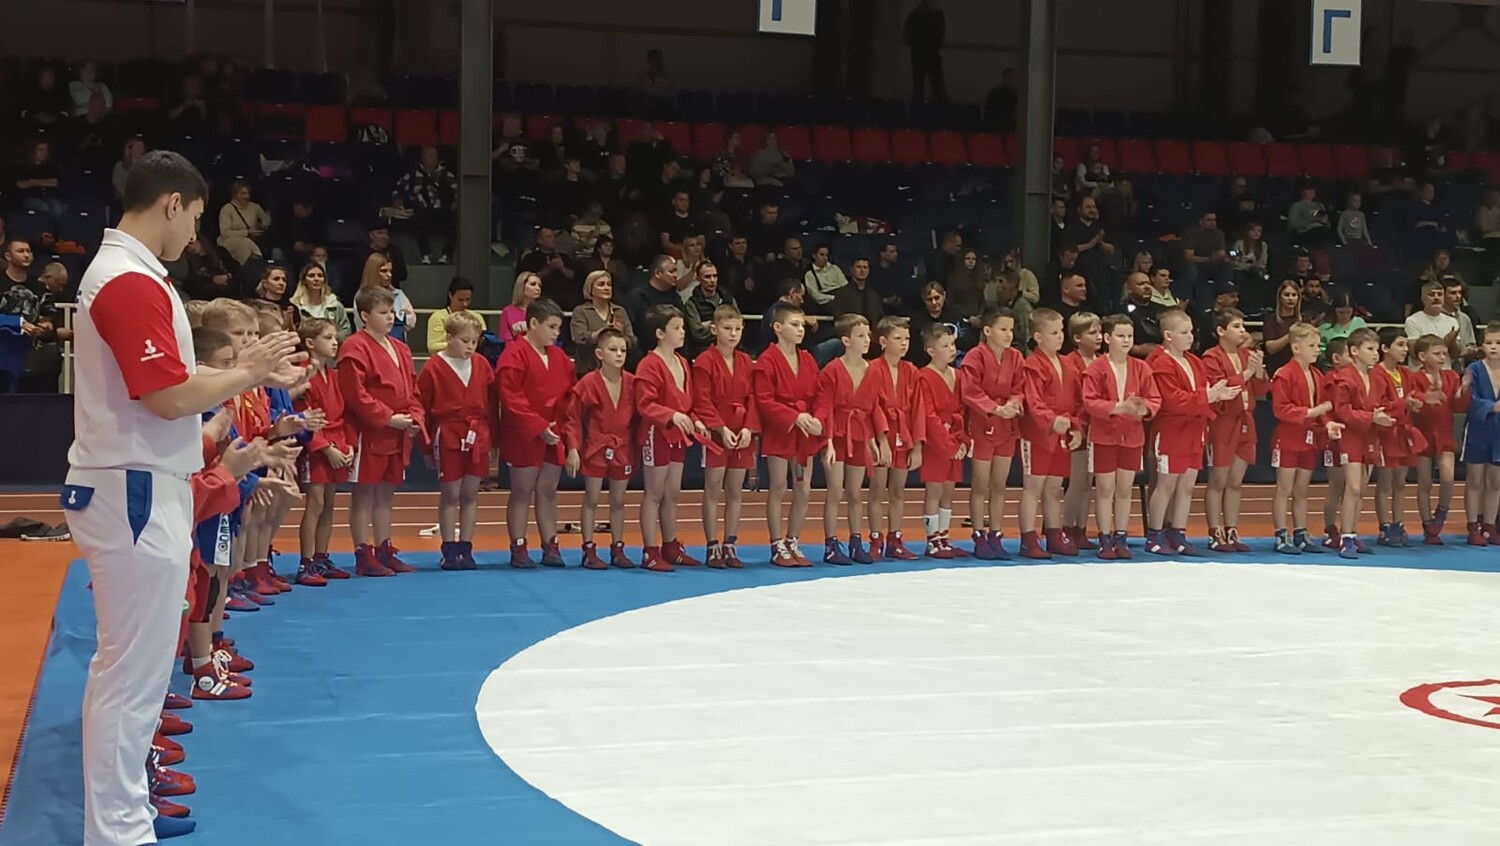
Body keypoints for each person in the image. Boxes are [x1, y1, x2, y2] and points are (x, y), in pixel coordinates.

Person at [64, 149, 304, 846]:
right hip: (136, 487)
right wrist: (245, 374)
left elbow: (167, 384)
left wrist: (242, 375)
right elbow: (167, 396)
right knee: (132, 676)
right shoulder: (128, 280)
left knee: (132, 672)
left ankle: (121, 821)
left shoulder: (131, 276)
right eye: (196, 217)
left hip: (138, 482)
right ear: (172, 203)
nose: (195, 233)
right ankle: (119, 832)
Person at [338, 285, 424, 576]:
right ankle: (363, 554)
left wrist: (414, 417)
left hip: (397, 431)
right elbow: (355, 394)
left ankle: (384, 549)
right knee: (364, 494)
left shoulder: (400, 348)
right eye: (383, 312)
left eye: (392, 312)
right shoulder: (354, 347)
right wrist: (388, 418)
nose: (390, 318)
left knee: (387, 494)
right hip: (370, 431)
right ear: (365, 316)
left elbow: (413, 389)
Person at [1147, 309, 1238, 555]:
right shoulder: (1160, 363)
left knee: (1187, 486)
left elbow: (1202, 392)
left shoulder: (1194, 362)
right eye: (1184, 332)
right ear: (1168, 335)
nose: (1190, 337)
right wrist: (1207, 396)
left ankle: (1178, 532)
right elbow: (1171, 400)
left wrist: (1217, 395)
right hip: (1172, 431)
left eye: (1191, 332)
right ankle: (1154, 534)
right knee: (1166, 485)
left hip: (1195, 430)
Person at [496, 298, 576, 568]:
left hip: (554, 431)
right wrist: (538, 426)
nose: (556, 333)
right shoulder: (513, 355)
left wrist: (564, 434)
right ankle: (518, 546)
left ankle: (550, 544)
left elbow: (569, 398)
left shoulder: (560, 358)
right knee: (522, 490)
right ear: (533, 323)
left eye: (558, 327)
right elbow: (511, 397)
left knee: (548, 490)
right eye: (551, 327)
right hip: (524, 434)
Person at [418, 310, 495, 571]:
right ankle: (449, 549)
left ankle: (466, 547)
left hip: (477, 432)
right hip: (448, 433)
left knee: (471, 493)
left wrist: (492, 440)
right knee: (450, 493)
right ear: (449, 338)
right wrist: (426, 447)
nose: (470, 347)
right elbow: (423, 409)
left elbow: (491, 404)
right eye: (465, 341)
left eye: (474, 341)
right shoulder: (433, 367)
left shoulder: (482, 365)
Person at [635, 304, 708, 572]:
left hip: (677, 433)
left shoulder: (682, 362)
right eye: (676, 328)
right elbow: (644, 404)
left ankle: (670, 545)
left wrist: (695, 420)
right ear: (660, 333)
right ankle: (649, 550)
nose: (682, 332)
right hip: (657, 432)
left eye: (683, 327)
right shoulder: (649, 364)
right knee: (654, 493)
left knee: (672, 492)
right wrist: (672, 415)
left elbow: (687, 402)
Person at [1081, 314, 1161, 559]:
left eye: (1129, 336)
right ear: (1107, 338)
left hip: (1132, 435)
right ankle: (1105, 538)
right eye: (1120, 336)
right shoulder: (1096, 368)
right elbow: (1089, 402)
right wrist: (1119, 407)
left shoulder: (1141, 367)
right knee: (1105, 489)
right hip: (1104, 436)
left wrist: (1144, 409)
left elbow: (1154, 398)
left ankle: (1122, 537)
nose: (1126, 341)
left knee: (1125, 489)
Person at [815, 314, 892, 564]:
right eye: (861, 336)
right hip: (837, 433)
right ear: (846, 341)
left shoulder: (874, 371)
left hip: (859, 434)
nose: (867, 340)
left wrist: (876, 439)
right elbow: (825, 407)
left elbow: (874, 408)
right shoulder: (832, 370)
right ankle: (830, 544)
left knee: (855, 492)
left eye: (868, 335)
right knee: (835, 491)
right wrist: (827, 443)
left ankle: (856, 541)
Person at [754, 301, 824, 566]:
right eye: (794, 325)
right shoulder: (767, 360)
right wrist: (793, 417)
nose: (800, 330)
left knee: (804, 488)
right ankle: (776, 544)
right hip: (781, 429)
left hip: (805, 431)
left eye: (802, 325)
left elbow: (820, 394)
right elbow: (764, 399)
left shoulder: (807, 359)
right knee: (779, 486)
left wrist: (819, 419)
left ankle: (793, 539)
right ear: (777, 327)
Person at [563, 328, 638, 570]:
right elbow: (573, 418)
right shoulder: (588, 383)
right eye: (613, 350)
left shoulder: (633, 383)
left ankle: (618, 547)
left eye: (623, 350)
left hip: (622, 447)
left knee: (619, 500)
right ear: (599, 353)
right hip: (596, 447)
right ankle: (588, 548)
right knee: (592, 498)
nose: (619, 354)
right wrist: (573, 448)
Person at [693, 306, 757, 569]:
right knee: (713, 488)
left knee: (735, 491)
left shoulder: (746, 362)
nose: (733, 334)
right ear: (714, 329)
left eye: (738, 329)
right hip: (716, 432)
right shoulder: (704, 361)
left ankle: (730, 543)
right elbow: (701, 399)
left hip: (741, 432)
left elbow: (753, 398)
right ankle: (712, 546)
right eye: (727, 328)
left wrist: (748, 428)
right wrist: (720, 428)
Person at [1270, 322, 1343, 555]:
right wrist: (1311, 412)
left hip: (1309, 437)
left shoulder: (1316, 374)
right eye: (1311, 345)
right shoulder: (1284, 374)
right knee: (1284, 488)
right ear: (1296, 348)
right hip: (1289, 437)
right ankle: (1281, 534)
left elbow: (1321, 409)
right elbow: (1280, 409)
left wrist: (1328, 423)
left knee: (1302, 489)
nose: (1317, 350)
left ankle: (1300, 532)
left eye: (1318, 345)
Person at [1200, 309, 1268, 553]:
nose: (1243, 331)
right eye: (1236, 326)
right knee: (1218, 480)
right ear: (1221, 331)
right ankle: (1214, 531)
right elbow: (1220, 388)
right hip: (1223, 422)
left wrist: (1258, 372)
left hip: (1246, 420)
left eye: (1242, 326)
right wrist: (1247, 373)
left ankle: (1231, 528)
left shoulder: (1246, 355)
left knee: (1236, 481)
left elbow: (1262, 390)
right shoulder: (1211, 357)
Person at [960, 306, 1025, 559]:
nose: (1009, 334)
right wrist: (996, 408)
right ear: (988, 331)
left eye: (1011, 329)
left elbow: (1020, 387)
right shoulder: (975, 357)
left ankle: (996, 534)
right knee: (980, 484)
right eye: (1003, 329)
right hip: (982, 424)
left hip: (1006, 426)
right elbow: (970, 391)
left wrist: (1013, 404)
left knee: (999, 484)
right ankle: (978, 534)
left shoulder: (1016, 357)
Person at [1018, 308, 1083, 559]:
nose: (1060, 337)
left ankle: (1054, 534)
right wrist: (1052, 420)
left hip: (1061, 432)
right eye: (1054, 332)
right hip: (1038, 434)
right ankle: (1028, 538)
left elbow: (1078, 402)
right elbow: (1033, 401)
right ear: (1038, 337)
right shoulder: (1032, 365)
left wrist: (1076, 427)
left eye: (1060, 331)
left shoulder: (1068, 365)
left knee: (1055, 487)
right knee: (1033, 486)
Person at [293, 318, 353, 584]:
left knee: (329, 502)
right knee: (315, 502)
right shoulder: (302, 374)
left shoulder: (334, 374)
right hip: (315, 445)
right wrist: (325, 447)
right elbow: (301, 416)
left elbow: (343, 414)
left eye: (334, 337)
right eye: (328, 337)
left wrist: (347, 445)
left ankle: (321, 556)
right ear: (310, 342)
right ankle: (305, 562)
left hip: (336, 441)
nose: (335, 342)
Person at [1330, 327, 1396, 558]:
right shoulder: (1345, 377)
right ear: (1354, 351)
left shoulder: (1377, 377)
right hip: (1350, 436)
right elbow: (1342, 411)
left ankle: (1352, 533)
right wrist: (1371, 417)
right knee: (1353, 487)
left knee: (1361, 489)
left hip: (1369, 436)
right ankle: (1346, 537)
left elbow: (1385, 402)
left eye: (1377, 349)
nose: (1376, 354)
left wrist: (1386, 415)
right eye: (1370, 349)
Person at [866, 317, 922, 560]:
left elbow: (918, 409)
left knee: (898, 490)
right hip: (882, 434)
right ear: (883, 341)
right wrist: (881, 439)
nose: (904, 343)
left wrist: (917, 446)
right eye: (898, 338)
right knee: (877, 489)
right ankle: (875, 539)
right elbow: (873, 406)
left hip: (904, 434)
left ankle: (895, 539)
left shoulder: (912, 371)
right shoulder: (872, 369)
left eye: (907, 339)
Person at [915, 322, 968, 557]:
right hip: (936, 443)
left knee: (948, 490)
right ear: (931, 350)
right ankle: (932, 540)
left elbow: (964, 410)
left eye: (952, 344)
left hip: (955, 439)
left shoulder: (958, 375)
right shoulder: (923, 377)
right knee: (934, 490)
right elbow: (928, 414)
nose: (951, 349)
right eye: (945, 346)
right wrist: (947, 444)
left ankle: (944, 536)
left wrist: (962, 440)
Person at [1409, 333, 1465, 544]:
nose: (1442, 357)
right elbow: (1413, 403)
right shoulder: (1414, 378)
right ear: (1423, 356)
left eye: (1444, 353)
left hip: (1444, 434)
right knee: (1424, 482)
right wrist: (1425, 398)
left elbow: (1458, 406)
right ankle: (1427, 524)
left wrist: (1463, 391)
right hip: (1422, 435)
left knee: (1448, 478)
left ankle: (1441, 512)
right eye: (1437, 353)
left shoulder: (1451, 377)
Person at [1373, 327, 1424, 547]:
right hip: (1385, 433)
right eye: (1400, 345)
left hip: (1403, 431)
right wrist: (1404, 403)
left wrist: (1421, 401)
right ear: (1385, 348)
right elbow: (1378, 404)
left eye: (1405, 345)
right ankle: (1385, 526)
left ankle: (1398, 523)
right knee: (1385, 482)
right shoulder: (1376, 373)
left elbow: (1413, 396)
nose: (1405, 349)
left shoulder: (1405, 373)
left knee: (1400, 482)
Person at [1062, 312, 1102, 549]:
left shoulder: (1103, 361)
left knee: (1088, 482)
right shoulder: (1069, 363)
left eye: (1100, 332)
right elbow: (1071, 399)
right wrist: (1077, 425)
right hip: (1079, 428)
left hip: (1099, 428)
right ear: (1077, 337)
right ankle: (1066, 528)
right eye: (1092, 332)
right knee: (1077, 481)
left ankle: (1080, 529)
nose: (1099, 337)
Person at [1462, 321, 1500, 545]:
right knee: (1475, 480)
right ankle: (1472, 526)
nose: (1493, 347)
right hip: (1478, 429)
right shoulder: (1474, 369)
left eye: (1498, 342)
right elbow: (1469, 398)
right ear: (1482, 345)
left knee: (1495, 482)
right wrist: (1492, 407)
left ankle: (1489, 525)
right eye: (1489, 342)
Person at [1319, 338, 1353, 548]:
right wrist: (1328, 425)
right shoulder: (1329, 380)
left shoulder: (1357, 377)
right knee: (1337, 485)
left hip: (1354, 436)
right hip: (1334, 438)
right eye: (1350, 354)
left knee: (1353, 487)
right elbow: (1324, 407)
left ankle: (1350, 531)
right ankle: (1331, 529)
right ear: (1336, 358)